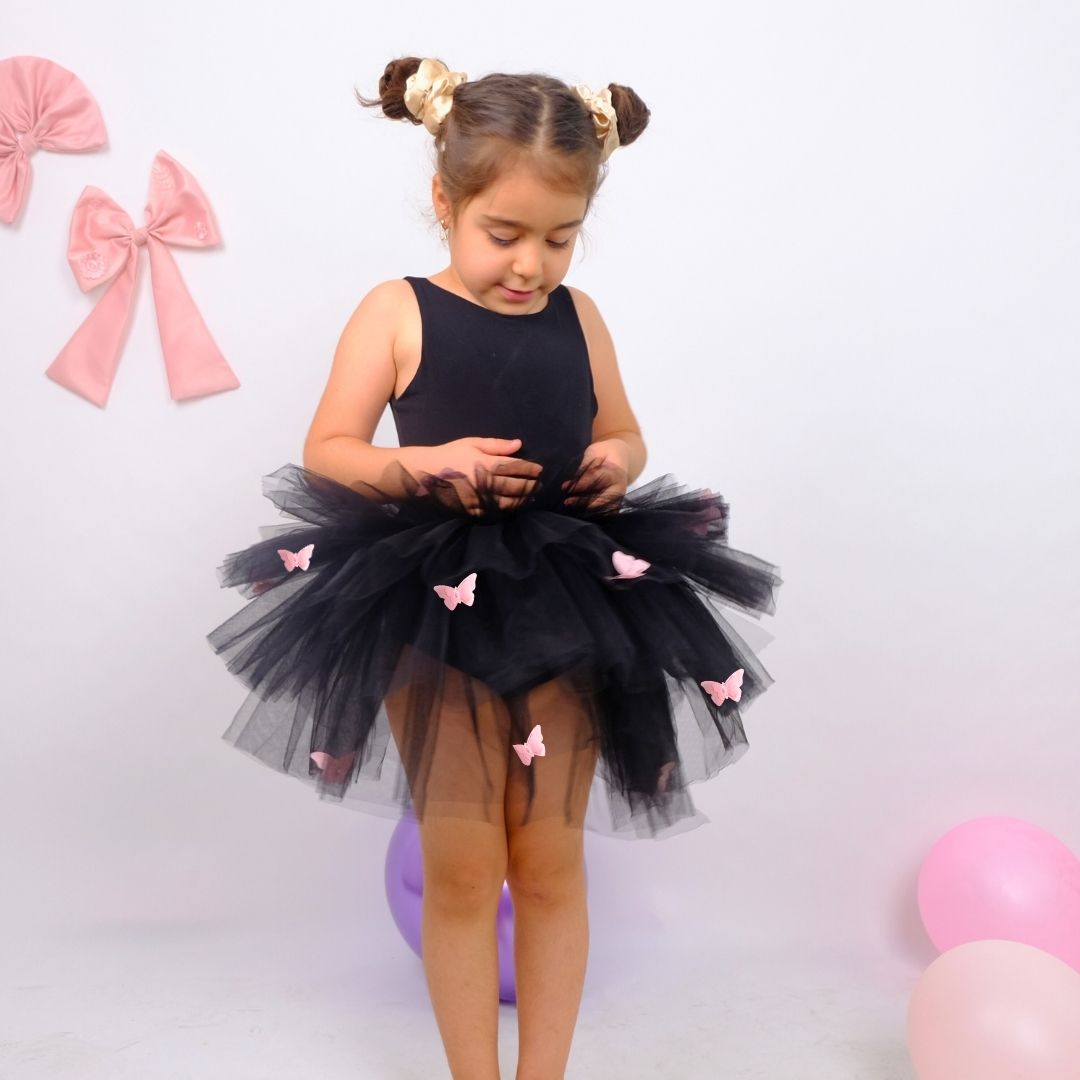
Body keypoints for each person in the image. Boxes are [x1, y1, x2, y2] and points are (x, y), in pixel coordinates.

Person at [207, 55, 782, 1080]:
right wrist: (421, 464)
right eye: (504, 235)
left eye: (558, 239)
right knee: (465, 864)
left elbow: (625, 429)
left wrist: (619, 461)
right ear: (445, 200)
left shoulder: (581, 316)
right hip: (427, 599)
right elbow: (330, 448)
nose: (530, 265)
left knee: (550, 857)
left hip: (568, 591)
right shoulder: (396, 309)